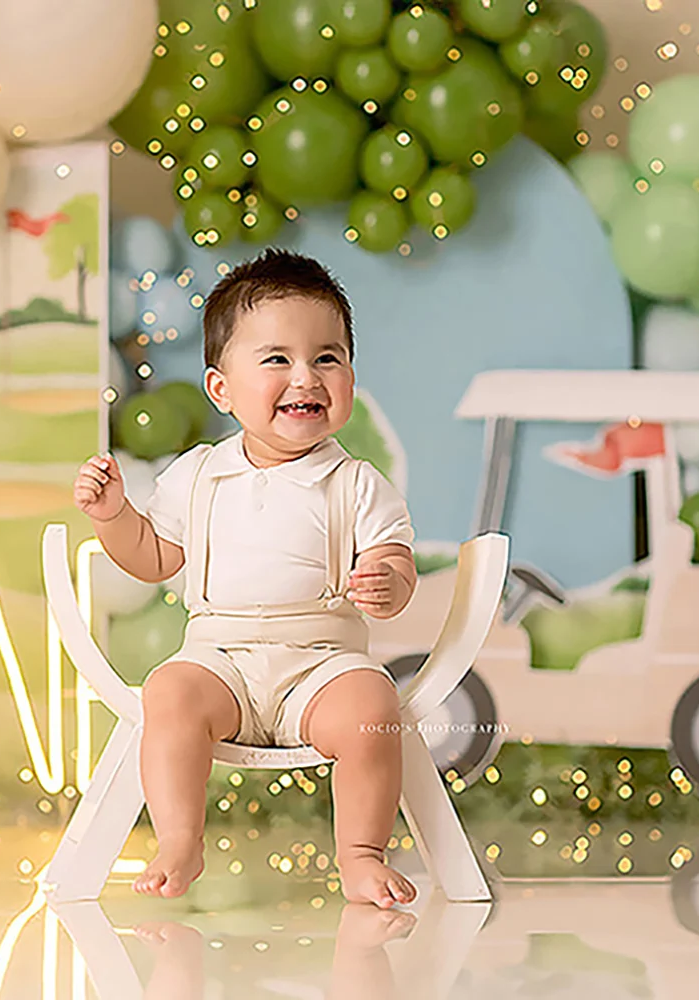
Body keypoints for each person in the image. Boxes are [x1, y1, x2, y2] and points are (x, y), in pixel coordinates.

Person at [73, 249, 419, 908]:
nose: (305, 377)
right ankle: (180, 838)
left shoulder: (357, 483)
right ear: (221, 389)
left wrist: (387, 581)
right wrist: (114, 516)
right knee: (168, 691)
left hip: (321, 666)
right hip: (221, 661)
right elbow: (152, 557)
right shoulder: (198, 474)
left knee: (373, 708)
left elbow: (395, 562)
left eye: (327, 357)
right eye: (276, 359)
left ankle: (361, 852)